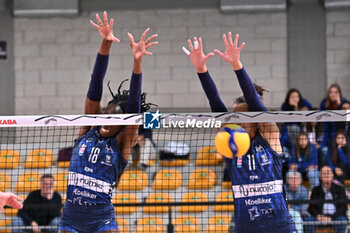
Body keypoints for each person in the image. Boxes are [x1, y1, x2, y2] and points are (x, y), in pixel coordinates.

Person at [183, 32, 296, 232]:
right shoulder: (230, 142)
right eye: (233, 117)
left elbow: (256, 104)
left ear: (254, 118)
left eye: (242, 117)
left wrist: (237, 65)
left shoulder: (269, 134)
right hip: (246, 226)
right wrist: (201, 69)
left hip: (279, 225)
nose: (236, 121)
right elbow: (215, 103)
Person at [58, 12, 157, 233]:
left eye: (113, 117)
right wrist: (105, 44)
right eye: (106, 113)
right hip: (70, 220)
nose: (106, 118)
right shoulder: (88, 129)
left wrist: (137, 61)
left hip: (102, 222)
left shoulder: (122, 143)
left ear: (122, 124)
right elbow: (95, 86)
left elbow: (133, 109)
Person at [304, 166, 348, 233]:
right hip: (319, 218)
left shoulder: (340, 189)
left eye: (328, 173)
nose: (326, 175)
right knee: (308, 221)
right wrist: (318, 216)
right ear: (320, 176)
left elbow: (343, 208)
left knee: (342, 220)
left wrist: (331, 218)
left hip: (335, 218)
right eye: (324, 173)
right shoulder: (315, 190)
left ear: (332, 175)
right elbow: (311, 208)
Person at [319, 84, 348, 166]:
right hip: (328, 134)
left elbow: (341, 123)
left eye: (336, 92)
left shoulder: (344, 104)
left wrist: (339, 104)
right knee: (324, 150)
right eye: (331, 92)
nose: (333, 94)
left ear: (339, 93)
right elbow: (325, 125)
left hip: (339, 134)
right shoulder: (324, 104)